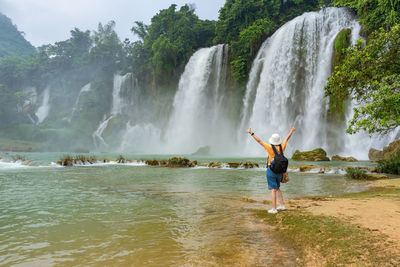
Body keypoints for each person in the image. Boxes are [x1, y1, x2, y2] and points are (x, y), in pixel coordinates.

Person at [247, 126, 295, 214]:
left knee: (273, 189)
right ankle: (282, 205)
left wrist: (251, 133)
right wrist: (291, 131)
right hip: (280, 170)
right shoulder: (283, 146)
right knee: (277, 188)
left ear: (272, 140)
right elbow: (287, 138)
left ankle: (274, 208)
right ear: (279, 140)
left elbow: (259, 141)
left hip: (271, 170)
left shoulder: (269, 147)